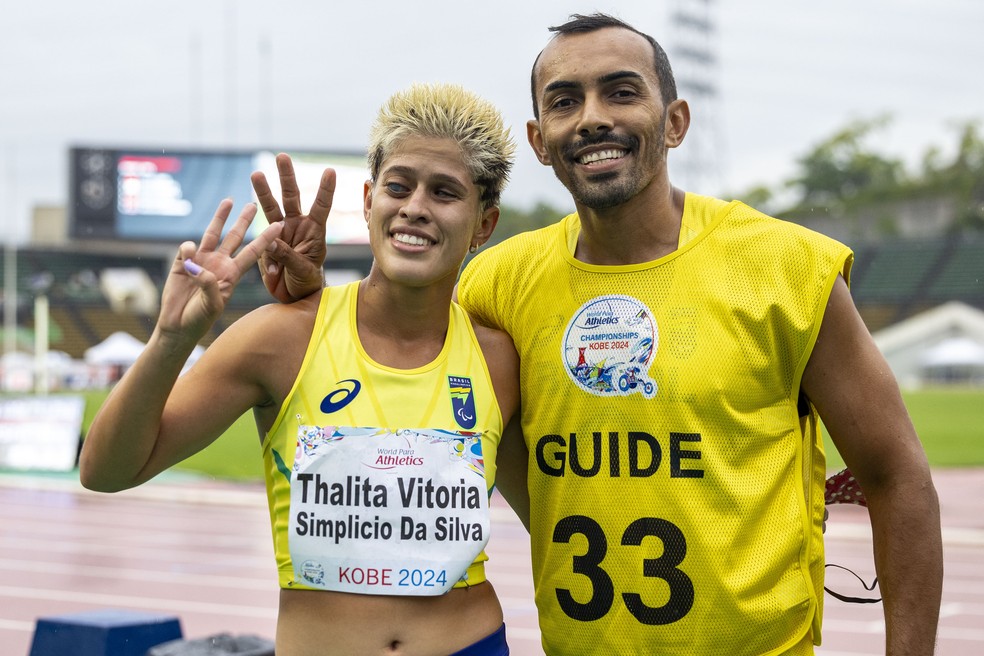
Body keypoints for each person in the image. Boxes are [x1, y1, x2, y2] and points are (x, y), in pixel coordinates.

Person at [263, 14, 943, 655]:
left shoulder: (787, 268)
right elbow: (389, 343)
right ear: (539, 140)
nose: (592, 118)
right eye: (564, 101)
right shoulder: (496, 285)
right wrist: (308, 301)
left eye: (620, 93)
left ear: (674, 121)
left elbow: (897, 476)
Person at [79, 82, 524, 656]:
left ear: (483, 225)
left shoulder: (498, 359)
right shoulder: (282, 337)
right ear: (368, 202)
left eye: (444, 192)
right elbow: (105, 471)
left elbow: (552, 518)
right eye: (398, 186)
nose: (415, 207)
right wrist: (171, 338)